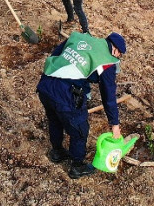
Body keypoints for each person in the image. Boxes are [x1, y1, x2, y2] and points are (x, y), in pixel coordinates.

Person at [36, 31, 126, 179]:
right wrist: (114, 124)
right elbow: (108, 95)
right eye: (119, 56)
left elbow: (56, 55)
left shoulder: (80, 38)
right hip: (65, 95)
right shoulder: (107, 62)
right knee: (80, 130)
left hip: (45, 86)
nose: (117, 59)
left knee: (55, 120)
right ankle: (77, 166)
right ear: (115, 50)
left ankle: (57, 152)